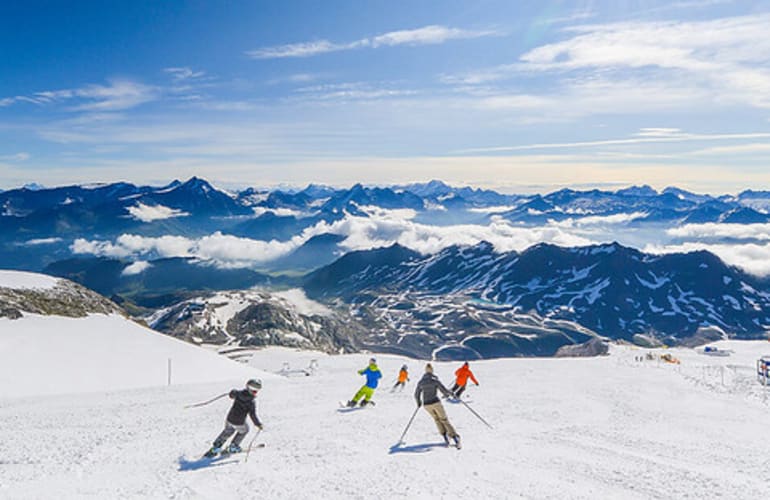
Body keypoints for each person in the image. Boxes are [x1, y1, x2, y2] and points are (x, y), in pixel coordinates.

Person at [205, 379, 263, 457]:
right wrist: (258, 424)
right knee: (245, 430)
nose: (255, 392)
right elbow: (252, 415)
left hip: (229, 419)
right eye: (255, 390)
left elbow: (232, 395)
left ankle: (216, 447)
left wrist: (232, 393)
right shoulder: (251, 402)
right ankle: (233, 446)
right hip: (239, 421)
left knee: (228, 431)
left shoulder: (238, 394)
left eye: (257, 390)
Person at [415, 363, 460, 448]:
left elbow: (416, 394)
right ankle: (454, 437)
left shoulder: (421, 382)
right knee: (444, 419)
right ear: (432, 371)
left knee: (436, 419)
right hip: (435, 402)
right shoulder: (434, 380)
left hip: (426, 405)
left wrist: (418, 402)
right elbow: (444, 391)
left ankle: (444, 435)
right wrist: (451, 394)